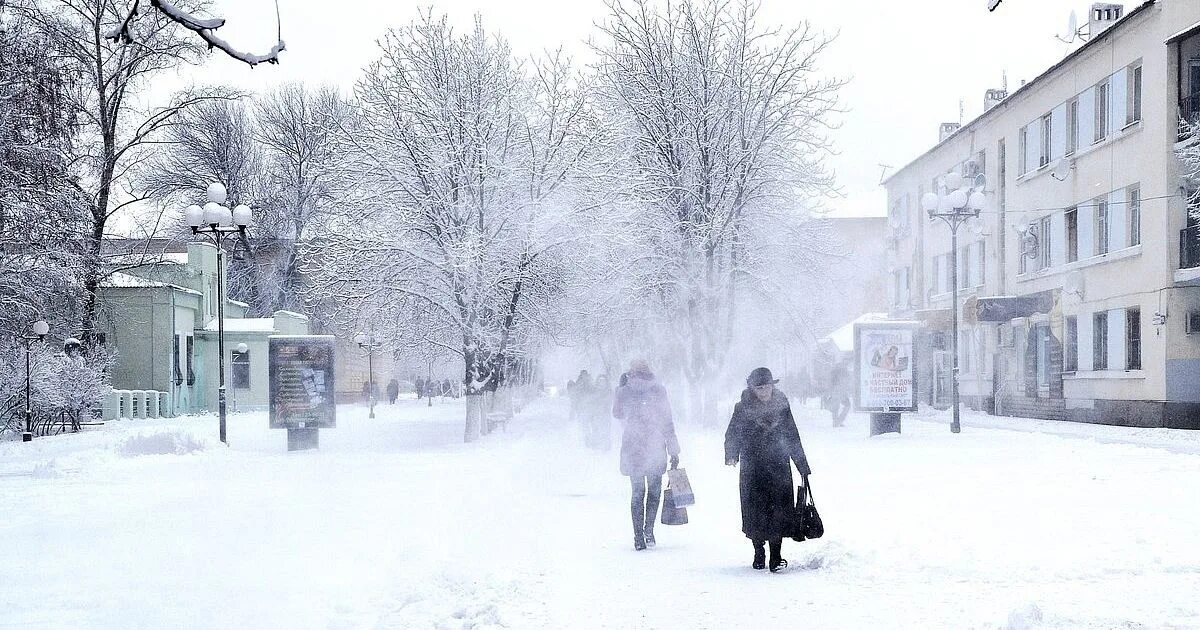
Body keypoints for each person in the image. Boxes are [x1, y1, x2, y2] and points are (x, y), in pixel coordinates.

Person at [724, 367, 811, 573]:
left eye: (767, 387)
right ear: (752, 389)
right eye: (759, 388)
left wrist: (802, 465)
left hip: (779, 465)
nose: (763, 392)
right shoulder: (742, 408)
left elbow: (792, 435)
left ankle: (776, 555)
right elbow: (732, 433)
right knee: (755, 511)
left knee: (779, 511)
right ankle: (758, 550)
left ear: (773, 386)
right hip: (752, 468)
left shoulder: (782, 406)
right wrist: (731, 454)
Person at [612, 359, 680, 551]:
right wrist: (673, 449)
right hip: (644, 446)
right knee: (649, 492)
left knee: (642, 492)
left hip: (647, 446)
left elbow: (666, 419)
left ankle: (642, 534)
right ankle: (645, 532)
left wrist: (620, 390)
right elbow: (617, 414)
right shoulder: (638, 390)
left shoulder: (653, 390)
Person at [586, 375, 613, 450]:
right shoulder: (594, 390)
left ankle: (606, 446)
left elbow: (610, 401)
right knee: (596, 429)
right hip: (595, 414)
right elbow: (590, 401)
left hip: (605, 414)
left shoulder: (608, 390)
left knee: (606, 430)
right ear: (598, 382)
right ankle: (595, 445)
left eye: (603, 381)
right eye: (600, 381)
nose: (602, 382)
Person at [828, 360, 852, 427]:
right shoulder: (843, 371)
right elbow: (847, 381)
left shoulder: (834, 371)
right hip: (839, 391)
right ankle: (838, 421)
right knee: (846, 406)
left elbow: (830, 382)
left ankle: (837, 421)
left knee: (837, 407)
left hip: (837, 391)